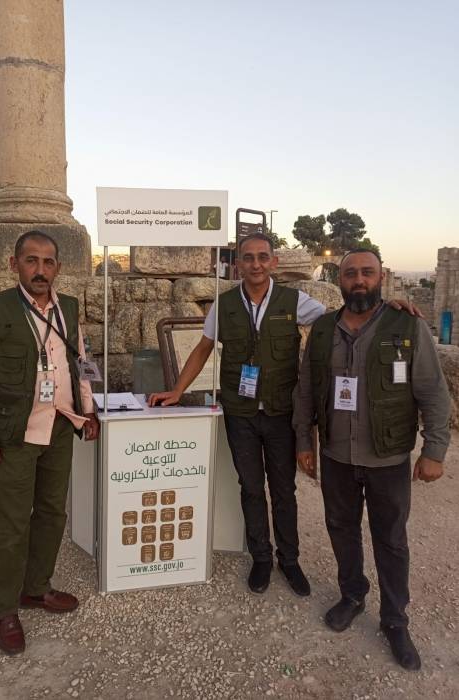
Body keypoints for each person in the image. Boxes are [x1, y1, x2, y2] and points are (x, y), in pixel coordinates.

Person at [293, 249, 451, 671]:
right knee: (341, 529)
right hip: (336, 455)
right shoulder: (323, 329)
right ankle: (352, 595)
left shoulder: (406, 325)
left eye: (367, 272)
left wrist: (434, 451)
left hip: (388, 457)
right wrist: (303, 441)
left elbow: (433, 392)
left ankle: (395, 620)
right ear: (339, 280)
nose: (359, 280)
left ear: (381, 277)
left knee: (391, 540)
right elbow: (306, 389)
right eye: (350, 273)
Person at [149, 233, 329, 596]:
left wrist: (386, 311)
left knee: (284, 489)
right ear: (238, 264)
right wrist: (177, 390)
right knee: (250, 487)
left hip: (280, 412)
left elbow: (337, 322)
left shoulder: (295, 301)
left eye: (263, 257)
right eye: (248, 257)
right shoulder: (225, 304)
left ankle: (289, 560)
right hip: (240, 412)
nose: (256, 264)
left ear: (273, 262)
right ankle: (261, 557)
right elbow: (203, 348)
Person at [0, 230, 100, 656]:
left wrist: (88, 409)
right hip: (16, 432)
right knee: (13, 521)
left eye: (48, 262)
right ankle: (4, 608)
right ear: (14, 264)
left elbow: (80, 362)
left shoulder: (68, 307)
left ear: (58, 267)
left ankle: (36, 588)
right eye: (31, 260)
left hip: (60, 426)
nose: (40, 270)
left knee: (53, 513)